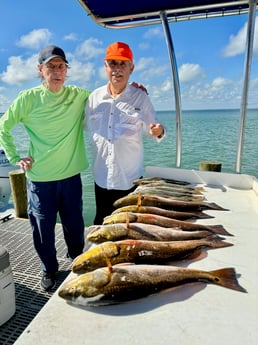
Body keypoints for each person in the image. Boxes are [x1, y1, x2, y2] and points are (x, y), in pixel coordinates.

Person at [0, 45, 91, 291]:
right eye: (51, 66)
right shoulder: (28, 98)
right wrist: (16, 156)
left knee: (75, 225)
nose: (57, 71)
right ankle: (48, 269)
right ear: (41, 70)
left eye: (61, 66)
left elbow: (107, 97)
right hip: (40, 179)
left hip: (71, 176)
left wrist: (133, 89)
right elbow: (3, 127)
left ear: (67, 70)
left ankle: (76, 261)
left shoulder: (78, 95)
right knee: (43, 230)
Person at [85, 41, 166, 225]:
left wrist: (158, 130)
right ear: (105, 66)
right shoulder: (93, 98)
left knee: (129, 229)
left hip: (129, 181)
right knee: (102, 226)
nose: (117, 69)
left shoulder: (140, 96)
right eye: (112, 63)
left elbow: (155, 128)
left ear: (132, 68)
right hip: (101, 179)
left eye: (123, 64)